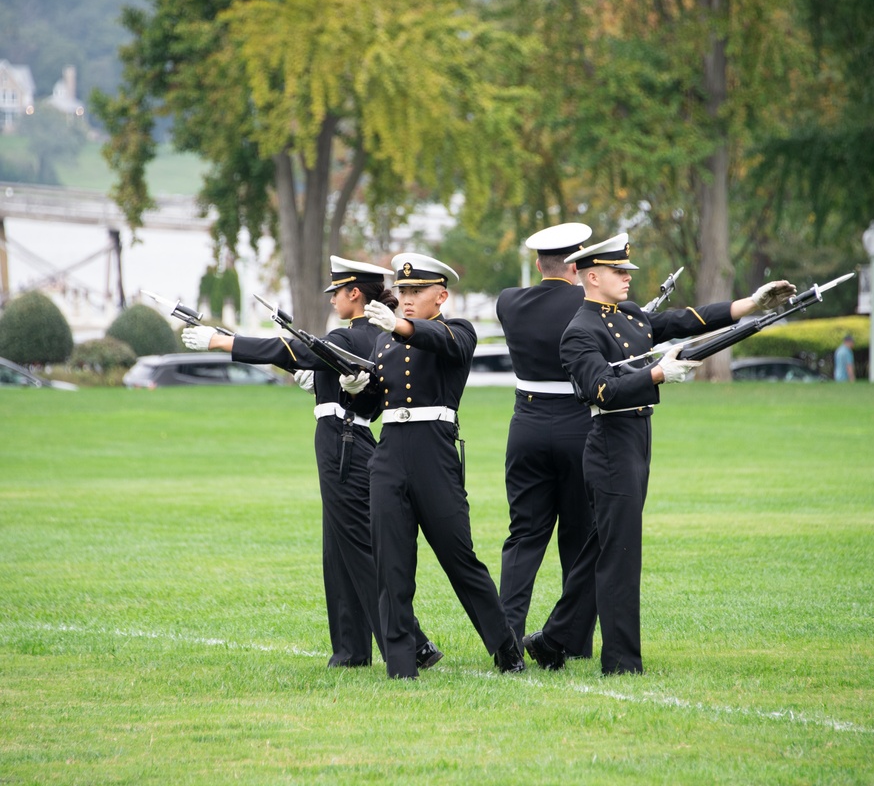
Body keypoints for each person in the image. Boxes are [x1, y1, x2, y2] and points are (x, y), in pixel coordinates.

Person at [522, 233, 796, 675]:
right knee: (621, 554)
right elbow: (601, 390)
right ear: (592, 277)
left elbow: (685, 320)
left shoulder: (628, 315)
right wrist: (658, 373)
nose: (627, 278)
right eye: (618, 271)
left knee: (602, 547)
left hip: (637, 437)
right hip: (610, 440)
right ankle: (622, 662)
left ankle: (555, 639)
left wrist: (751, 304)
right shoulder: (579, 331)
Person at [182, 256, 443, 673]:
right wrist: (322, 386)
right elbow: (324, 370)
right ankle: (350, 650)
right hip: (346, 436)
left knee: (357, 548)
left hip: (342, 443)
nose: (333, 299)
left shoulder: (358, 335)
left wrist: (222, 341)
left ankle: (414, 645)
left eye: (337, 292)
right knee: (337, 549)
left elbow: (288, 350)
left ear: (354, 293)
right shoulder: (371, 337)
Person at [349, 252, 524, 679]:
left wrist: (402, 327)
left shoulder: (457, 330)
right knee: (391, 564)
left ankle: (506, 648)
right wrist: (356, 388)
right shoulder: (383, 340)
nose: (406, 299)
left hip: (435, 453)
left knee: (459, 557)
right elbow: (374, 407)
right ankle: (401, 664)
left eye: (416, 291)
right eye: (402, 291)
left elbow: (442, 342)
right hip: (390, 453)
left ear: (440, 296)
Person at [495, 222, 597, 657]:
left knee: (524, 536)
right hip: (578, 425)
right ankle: (572, 639)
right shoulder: (590, 304)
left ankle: (506, 638)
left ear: (538, 263)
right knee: (579, 535)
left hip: (528, 426)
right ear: (578, 265)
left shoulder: (509, 301)